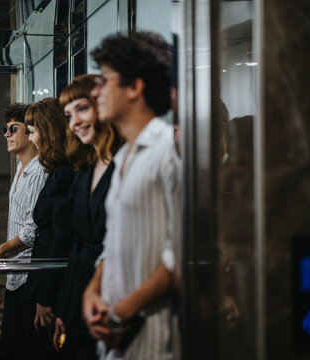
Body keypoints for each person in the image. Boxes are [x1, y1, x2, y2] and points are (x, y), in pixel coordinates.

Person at [82, 32, 181, 360]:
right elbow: (113, 243)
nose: (97, 91)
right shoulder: (125, 156)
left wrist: (122, 311)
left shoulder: (169, 150)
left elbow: (180, 253)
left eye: (104, 80)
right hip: (116, 333)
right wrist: (93, 291)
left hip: (152, 336)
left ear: (135, 88)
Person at [52, 75, 123, 359]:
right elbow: (76, 249)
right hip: (79, 294)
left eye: (82, 109)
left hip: (114, 297)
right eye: (68, 115)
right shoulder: (84, 169)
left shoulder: (125, 163)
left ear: (102, 106)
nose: (75, 122)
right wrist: (65, 311)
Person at [0, 103, 49, 360]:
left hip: (30, 279)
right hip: (15, 276)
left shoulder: (39, 172)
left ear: (31, 132)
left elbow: (31, 231)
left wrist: (3, 249)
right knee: (7, 351)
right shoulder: (20, 169)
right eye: (5, 129)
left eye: (13, 129)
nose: (7, 134)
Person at [24, 97, 75, 359]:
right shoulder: (58, 171)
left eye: (32, 132)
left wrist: (45, 297)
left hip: (55, 289)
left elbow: (58, 239)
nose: (31, 140)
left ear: (49, 130)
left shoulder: (64, 174)